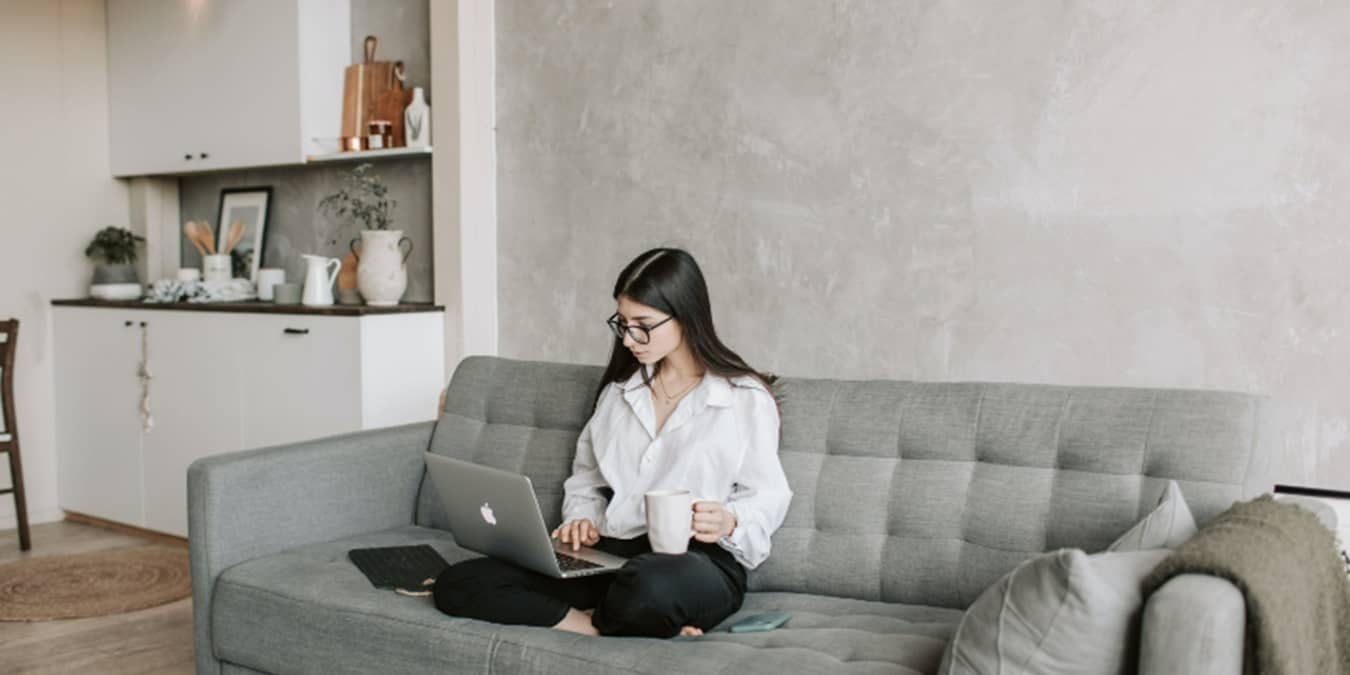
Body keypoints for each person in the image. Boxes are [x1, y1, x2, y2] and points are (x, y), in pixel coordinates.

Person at [433, 247, 793, 638]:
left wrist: (730, 520)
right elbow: (586, 481)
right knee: (461, 581)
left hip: (694, 562)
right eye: (622, 323)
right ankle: (593, 625)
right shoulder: (620, 394)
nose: (628, 340)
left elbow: (767, 495)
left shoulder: (742, 398)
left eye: (643, 324)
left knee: (649, 586)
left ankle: (630, 613)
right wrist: (580, 520)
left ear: (685, 316)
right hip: (612, 554)